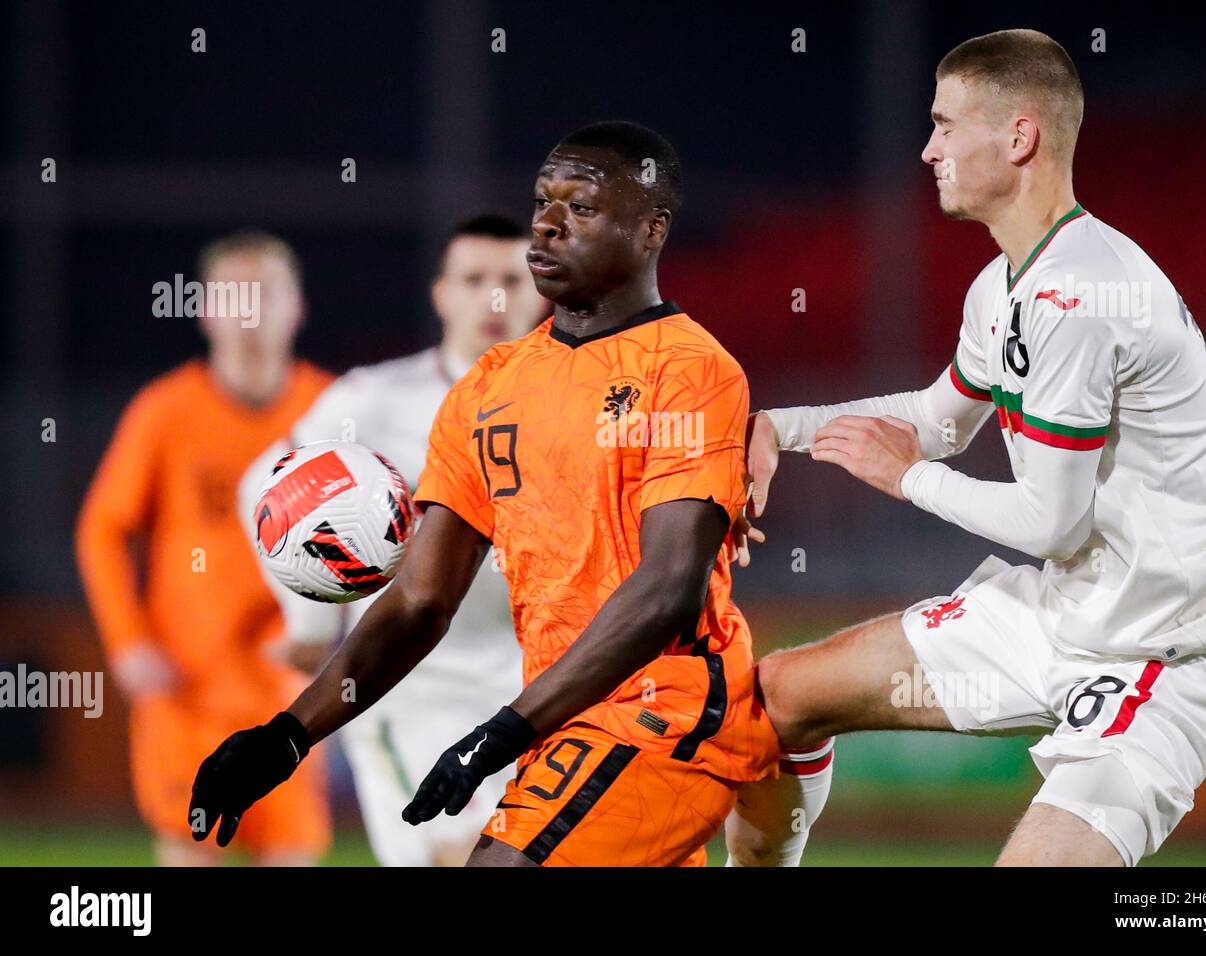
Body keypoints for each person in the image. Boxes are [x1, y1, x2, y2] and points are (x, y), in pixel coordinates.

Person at [190, 121, 783, 866]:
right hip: (566, 719)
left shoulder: (691, 369)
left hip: (665, 712)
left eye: (582, 207)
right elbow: (419, 600)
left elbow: (666, 589)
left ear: (650, 230)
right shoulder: (487, 387)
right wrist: (286, 736)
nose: (548, 221)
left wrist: (506, 728)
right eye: (543, 200)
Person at [736, 29, 1206, 867]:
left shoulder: (1083, 293)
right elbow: (940, 419)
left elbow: (1050, 520)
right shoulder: (1004, 283)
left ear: (1018, 137)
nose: (927, 148)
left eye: (946, 125)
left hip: (1165, 659)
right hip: (1059, 618)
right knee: (775, 699)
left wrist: (909, 479)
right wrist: (781, 427)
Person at [239, 213, 545, 866]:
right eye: (473, 278)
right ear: (441, 293)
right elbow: (263, 490)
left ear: (541, 289)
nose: (493, 297)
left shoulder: (569, 401)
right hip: (404, 690)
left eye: (511, 280)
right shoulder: (374, 399)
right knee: (464, 858)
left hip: (533, 686)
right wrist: (309, 618)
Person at [77, 231, 334, 866]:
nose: (250, 315)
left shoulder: (335, 411)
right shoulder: (165, 413)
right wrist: (128, 640)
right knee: (192, 853)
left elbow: (383, 539)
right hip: (187, 692)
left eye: (266, 295)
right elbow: (103, 529)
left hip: (289, 695)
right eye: (233, 297)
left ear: (297, 307)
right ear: (204, 311)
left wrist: (343, 634)